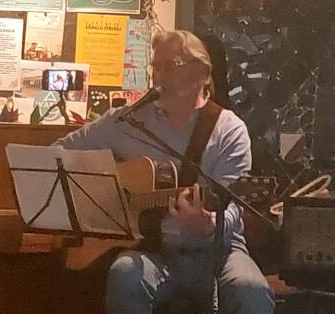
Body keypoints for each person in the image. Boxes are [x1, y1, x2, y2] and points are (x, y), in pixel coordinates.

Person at [54, 30, 274, 314]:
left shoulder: (229, 129)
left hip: (219, 254)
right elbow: (59, 152)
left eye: (171, 66)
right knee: (125, 275)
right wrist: (105, 193)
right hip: (154, 251)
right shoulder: (126, 121)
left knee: (252, 291)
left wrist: (208, 225)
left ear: (202, 72)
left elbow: (233, 206)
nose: (159, 76)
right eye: (156, 67)